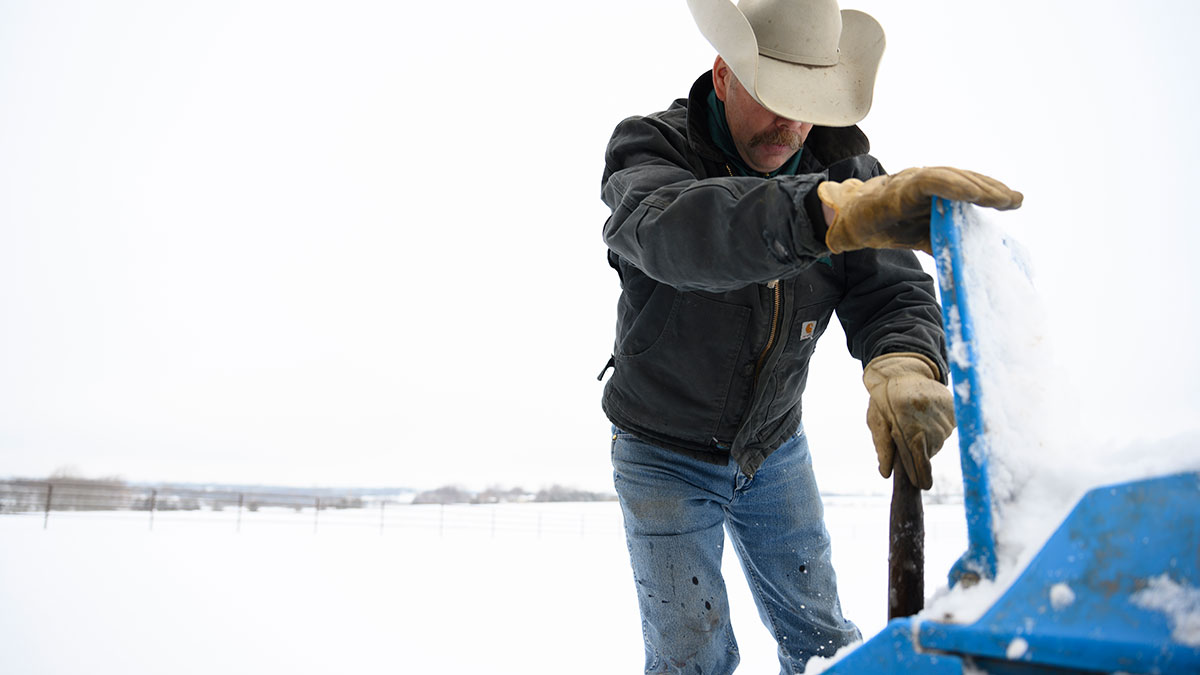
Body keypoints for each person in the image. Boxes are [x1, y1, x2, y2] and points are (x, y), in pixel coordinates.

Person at [597, 1, 1022, 673]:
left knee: (823, 637)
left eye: (809, 101)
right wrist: (819, 215)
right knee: (690, 654)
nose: (791, 123)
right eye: (775, 97)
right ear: (724, 74)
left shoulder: (844, 169)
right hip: (661, 450)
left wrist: (905, 360)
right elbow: (677, 234)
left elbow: (890, 290)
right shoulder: (649, 150)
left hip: (772, 446)